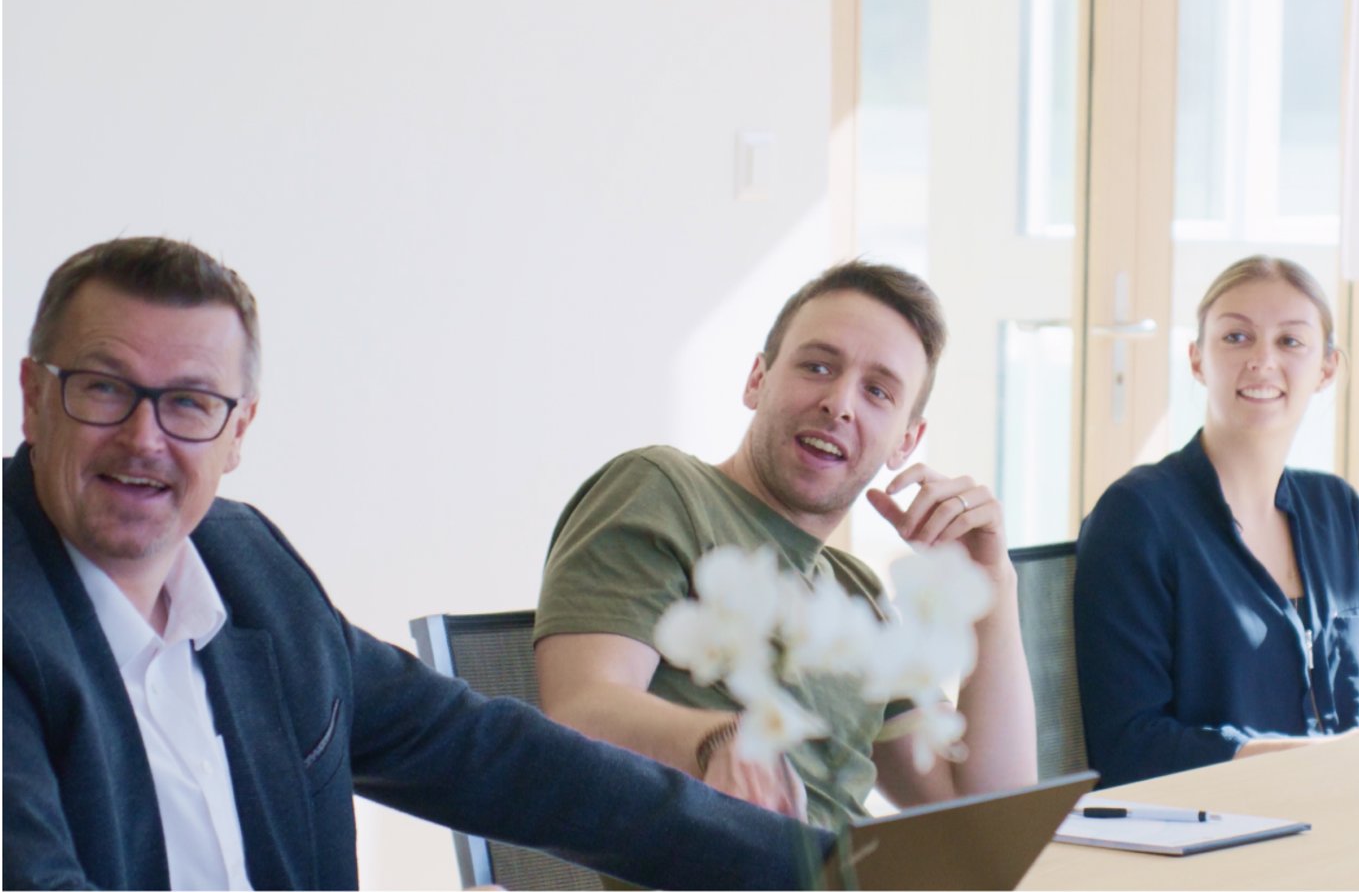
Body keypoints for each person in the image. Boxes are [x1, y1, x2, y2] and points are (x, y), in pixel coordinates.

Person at [3, 237, 827, 890]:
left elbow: (487, 751)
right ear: (35, 396)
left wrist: (821, 870)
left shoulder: (247, 567)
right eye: (105, 389)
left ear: (239, 430)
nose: (144, 438)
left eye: (188, 402)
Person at [534, 261, 1038, 826]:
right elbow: (580, 710)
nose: (840, 403)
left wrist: (991, 589)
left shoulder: (856, 594)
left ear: (907, 441)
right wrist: (722, 739)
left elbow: (989, 817)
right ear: (757, 380)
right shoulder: (665, 489)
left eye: (877, 391)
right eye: (818, 366)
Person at [1073, 257, 1359, 788]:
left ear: (1326, 369)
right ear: (1197, 360)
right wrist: (1306, 761)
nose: (1261, 360)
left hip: (1348, 807)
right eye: (1236, 337)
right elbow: (1128, 744)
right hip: (1213, 829)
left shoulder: (1336, 509)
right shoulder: (1138, 516)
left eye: (1290, 342)